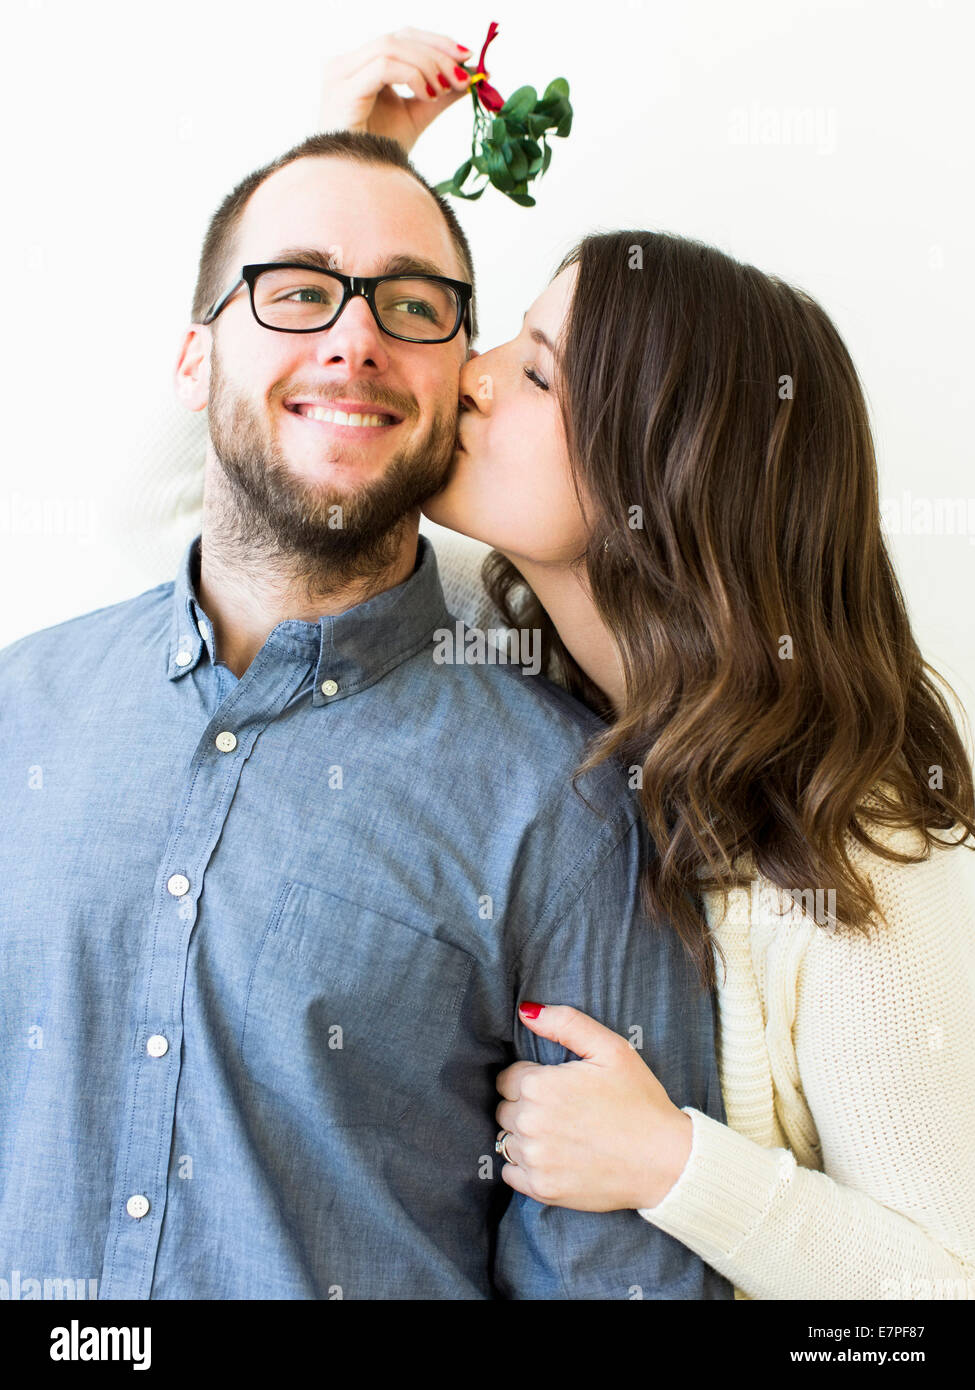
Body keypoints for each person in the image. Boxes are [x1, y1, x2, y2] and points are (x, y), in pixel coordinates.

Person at [0, 124, 731, 1300]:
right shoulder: (20, 715)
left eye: (410, 305)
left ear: (464, 379)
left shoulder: (571, 804)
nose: (354, 341)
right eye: (296, 293)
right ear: (192, 363)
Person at [322, 29, 975, 1300]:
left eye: (537, 369)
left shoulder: (864, 854)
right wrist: (359, 175)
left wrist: (674, 1163)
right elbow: (205, 496)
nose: (472, 375)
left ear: (655, 475)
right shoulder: (506, 633)